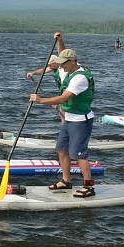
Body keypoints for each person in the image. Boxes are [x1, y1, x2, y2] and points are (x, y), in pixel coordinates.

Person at [29, 48, 96, 197]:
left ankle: (89, 186)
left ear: (72, 61)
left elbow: (64, 98)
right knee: (61, 149)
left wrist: (41, 100)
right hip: (69, 119)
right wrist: (59, 40)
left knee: (79, 154)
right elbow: (62, 50)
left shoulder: (80, 78)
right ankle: (66, 181)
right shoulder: (70, 71)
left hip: (80, 121)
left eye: (63, 63)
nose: (61, 66)